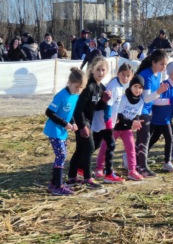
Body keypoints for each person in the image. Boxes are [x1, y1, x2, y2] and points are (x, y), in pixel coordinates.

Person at [66, 56, 112, 189]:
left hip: (89, 122)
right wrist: (82, 126)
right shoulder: (88, 86)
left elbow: (96, 107)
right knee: (89, 148)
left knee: (80, 149)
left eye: (103, 70)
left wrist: (104, 101)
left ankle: (72, 177)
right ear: (92, 70)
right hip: (82, 121)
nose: (101, 73)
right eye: (98, 70)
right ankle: (88, 178)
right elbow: (78, 108)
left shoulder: (100, 87)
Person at [44, 67, 86, 195]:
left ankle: (53, 183)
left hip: (63, 131)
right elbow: (49, 112)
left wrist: (73, 123)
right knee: (61, 155)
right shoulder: (62, 95)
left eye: (81, 88)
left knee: (62, 155)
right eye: (77, 87)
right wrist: (64, 123)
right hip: (54, 130)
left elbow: (70, 113)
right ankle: (58, 185)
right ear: (70, 82)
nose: (78, 90)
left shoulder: (75, 96)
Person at [92, 63, 135, 183]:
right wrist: (109, 123)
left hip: (108, 121)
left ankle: (82, 167)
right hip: (104, 121)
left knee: (95, 145)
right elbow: (108, 106)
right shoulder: (114, 86)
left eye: (128, 76)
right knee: (110, 145)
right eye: (123, 74)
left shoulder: (121, 86)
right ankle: (108, 174)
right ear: (118, 73)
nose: (125, 78)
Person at [135, 50, 169, 178]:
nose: (164, 67)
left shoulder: (157, 75)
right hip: (141, 110)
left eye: (165, 64)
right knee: (144, 138)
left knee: (141, 139)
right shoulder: (146, 75)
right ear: (153, 62)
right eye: (161, 64)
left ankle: (136, 163)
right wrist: (159, 91)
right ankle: (142, 167)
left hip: (148, 110)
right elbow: (146, 98)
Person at [148, 62, 173, 172]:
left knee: (172, 137)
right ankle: (137, 157)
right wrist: (170, 101)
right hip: (156, 118)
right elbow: (155, 101)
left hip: (166, 119)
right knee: (151, 139)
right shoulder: (164, 85)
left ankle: (171, 161)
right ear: (170, 73)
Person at [117, 76, 146, 180]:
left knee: (131, 149)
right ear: (130, 87)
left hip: (127, 129)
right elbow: (119, 115)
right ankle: (100, 168)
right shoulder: (124, 98)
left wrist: (137, 122)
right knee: (106, 147)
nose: (138, 90)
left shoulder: (141, 101)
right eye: (135, 86)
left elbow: (137, 115)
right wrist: (132, 122)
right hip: (116, 128)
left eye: (140, 87)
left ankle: (132, 171)